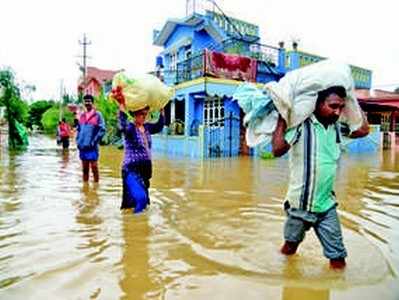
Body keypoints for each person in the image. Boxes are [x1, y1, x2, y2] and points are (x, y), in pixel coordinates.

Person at [271, 86, 369, 269]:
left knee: (338, 258)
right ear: (317, 104)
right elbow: (277, 150)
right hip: (299, 205)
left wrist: (354, 105)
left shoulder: (338, 128)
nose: (337, 111)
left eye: (341, 107)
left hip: (326, 205)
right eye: (333, 106)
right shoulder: (301, 126)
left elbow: (363, 131)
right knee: (290, 249)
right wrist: (281, 117)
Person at [117, 101, 164, 214]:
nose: (144, 116)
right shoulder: (131, 128)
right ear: (135, 114)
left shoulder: (147, 127)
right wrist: (121, 111)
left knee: (144, 204)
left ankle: (137, 227)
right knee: (141, 198)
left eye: (145, 114)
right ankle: (136, 225)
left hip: (144, 170)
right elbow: (122, 127)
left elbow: (159, 126)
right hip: (131, 169)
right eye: (142, 114)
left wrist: (162, 111)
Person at [75, 94, 106, 182]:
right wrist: (78, 141)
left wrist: (94, 141)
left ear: (92, 103)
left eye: (89, 101)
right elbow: (79, 130)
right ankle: (86, 188)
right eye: (86, 101)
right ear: (84, 103)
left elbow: (102, 129)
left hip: (92, 146)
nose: (87, 103)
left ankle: (96, 186)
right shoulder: (82, 116)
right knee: (85, 169)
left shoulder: (98, 115)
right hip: (82, 146)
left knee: (94, 167)